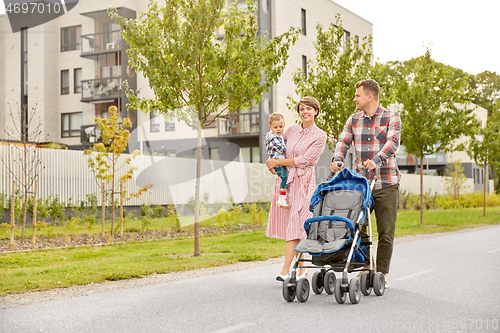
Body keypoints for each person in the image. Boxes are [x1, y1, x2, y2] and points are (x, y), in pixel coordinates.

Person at [329, 79, 401, 288]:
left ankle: (382, 273)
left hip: (387, 182)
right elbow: (343, 141)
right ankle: (365, 267)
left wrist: (377, 159)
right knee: (357, 226)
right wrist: (337, 159)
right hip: (362, 185)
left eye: (357, 95)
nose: (355, 99)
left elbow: (392, 142)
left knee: (386, 232)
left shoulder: (391, 116)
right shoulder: (354, 119)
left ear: (369, 96)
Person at [266, 96, 327, 282]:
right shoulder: (290, 130)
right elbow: (277, 148)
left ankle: (285, 270)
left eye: (309, 108)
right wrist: (272, 164)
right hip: (287, 183)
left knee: (296, 222)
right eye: (302, 109)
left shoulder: (320, 135)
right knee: (295, 226)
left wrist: (279, 162)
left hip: (304, 183)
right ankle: (302, 270)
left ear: (316, 111)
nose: (305, 112)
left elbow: (306, 160)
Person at [265, 112, 289, 209]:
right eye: (275, 127)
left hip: (280, 162)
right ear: (270, 127)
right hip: (277, 163)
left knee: (287, 177)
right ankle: (282, 197)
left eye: (280, 126)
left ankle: (284, 196)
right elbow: (281, 149)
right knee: (286, 177)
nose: (278, 129)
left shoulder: (281, 136)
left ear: (284, 125)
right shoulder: (272, 137)